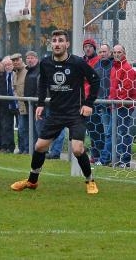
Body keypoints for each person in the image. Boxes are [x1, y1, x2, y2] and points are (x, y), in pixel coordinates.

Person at [10, 29, 100, 195]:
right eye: (55, 41)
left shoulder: (77, 63)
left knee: (77, 148)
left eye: (60, 40)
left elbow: (95, 80)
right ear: (51, 44)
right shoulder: (45, 63)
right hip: (56, 113)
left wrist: (88, 103)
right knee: (40, 146)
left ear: (67, 44)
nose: (57, 44)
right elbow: (43, 83)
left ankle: (90, 180)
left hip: (75, 113)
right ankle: (32, 181)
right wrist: (40, 104)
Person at [109, 44, 136, 168]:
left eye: (119, 52)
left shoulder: (127, 69)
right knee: (117, 133)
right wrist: (111, 101)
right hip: (115, 105)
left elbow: (127, 89)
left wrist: (116, 102)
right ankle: (118, 159)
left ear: (124, 53)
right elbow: (113, 88)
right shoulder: (114, 68)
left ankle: (124, 161)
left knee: (124, 133)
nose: (116, 54)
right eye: (114, 52)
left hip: (124, 106)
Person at [93, 44, 114, 166]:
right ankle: (108, 158)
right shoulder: (97, 66)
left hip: (114, 104)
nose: (102, 54)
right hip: (102, 104)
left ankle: (108, 158)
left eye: (104, 51)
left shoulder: (114, 65)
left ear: (110, 52)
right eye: (100, 52)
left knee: (112, 132)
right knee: (107, 132)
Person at [11, 53, 28, 154]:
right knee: (21, 129)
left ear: (21, 59)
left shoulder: (27, 70)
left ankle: (28, 149)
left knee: (27, 129)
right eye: (13, 61)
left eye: (17, 60)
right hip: (19, 106)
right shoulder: (15, 73)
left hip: (28, 105)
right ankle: (22, 149)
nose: (15, 62)